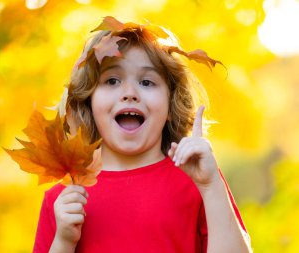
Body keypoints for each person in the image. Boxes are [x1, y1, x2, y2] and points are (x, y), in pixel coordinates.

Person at [33, 17, 252, 253]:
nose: (130, 93)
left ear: (171, 104)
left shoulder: (199, 180)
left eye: (147, 82)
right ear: (89, 102)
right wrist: (64, 241)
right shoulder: (64, 201)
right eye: (112, 80)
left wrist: (211, 187)